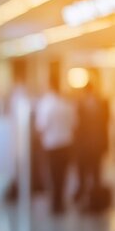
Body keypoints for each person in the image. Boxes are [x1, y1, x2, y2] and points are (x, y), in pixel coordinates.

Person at [34, 76, 77, 215]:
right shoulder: (66, 103)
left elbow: (41, 126)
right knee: (62, 175)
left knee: (53, 175)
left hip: (51, 145)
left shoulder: (46, 103)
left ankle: (54, 204)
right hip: (66, 144)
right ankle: (60, 202)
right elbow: (74, 124)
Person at [74, 79, 109, 210]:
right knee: (94, 174)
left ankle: (92, 200)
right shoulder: (99, 103)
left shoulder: (82, 105)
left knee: (88, 174)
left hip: (88, 147)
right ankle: (93, 200)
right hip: (95, 146)